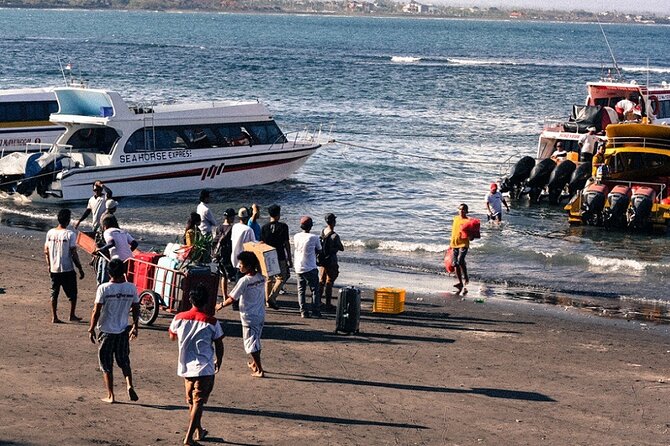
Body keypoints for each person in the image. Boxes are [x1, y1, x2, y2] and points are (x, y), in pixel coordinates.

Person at [169, 284, 224, 446]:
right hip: (204, 367)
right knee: (198, 402)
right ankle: (188, 438)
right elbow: (219, 344)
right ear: (206, 302)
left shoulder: (179, 318)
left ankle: (199, 430)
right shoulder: (211, 322)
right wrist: (219, 360)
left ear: (190, 300)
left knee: (192, 402)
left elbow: (172, 336)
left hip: (186, 366)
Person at [88, 258, 140, 404]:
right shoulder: (131, 288)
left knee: (106, 363)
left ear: (109, 273)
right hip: (123, 329)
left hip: (106, 331)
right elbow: (136, 308)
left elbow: (96, 310)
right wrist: (135, 325)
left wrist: (91, 328)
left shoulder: (104, 288)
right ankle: (129, 384)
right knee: (124, 360)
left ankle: (111, 395)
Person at [217, 251, 265, 378]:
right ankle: (255, 364)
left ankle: (259, 369)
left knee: (251, 344)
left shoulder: (245, 281)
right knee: (255, 341)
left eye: (241, 264)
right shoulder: (260, 277)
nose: (239, 266)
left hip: (249, 316)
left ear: (248, 266)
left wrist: (220, 305)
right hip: (260, 314)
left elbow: (232, 298)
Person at [44, 209, 85, 323]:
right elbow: (73, 253)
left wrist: (49, 265)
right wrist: (80, 268)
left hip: (54, 268)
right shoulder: (70, 234)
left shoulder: (50, 232)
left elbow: (46, 250)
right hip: (67, 268)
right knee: (73, 293)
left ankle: (54, 317)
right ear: (68, 220)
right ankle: (71, 315)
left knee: (54, 292)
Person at [260, 204, 292, 310]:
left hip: (268, 255)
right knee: (282, 277)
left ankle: (268, 301)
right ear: (278, 214)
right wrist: (290, 258)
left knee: (269, 279)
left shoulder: (264, 227)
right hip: (279, 254)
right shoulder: (283, 226)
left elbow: (262, 243)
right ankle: (272, 297)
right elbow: (286, 243)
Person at [293, 216, 322, 318]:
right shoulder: (314, 237)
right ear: (311, 226)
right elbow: (319, 250)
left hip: (298, 266)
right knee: (314, 290)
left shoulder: (296, 236)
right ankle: (315, 311)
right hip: (310, 266)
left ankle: (303, 311)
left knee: (301, 290)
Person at [318, 213, 344, 312]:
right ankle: (328, 304)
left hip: (323, 259)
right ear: (334, 222)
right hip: (331, 260)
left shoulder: (323, 231)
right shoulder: (335, 235)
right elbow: (342, 248)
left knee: (321, 280)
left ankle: (318, 301)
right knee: (329, 282)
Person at [213, 208, 236, 297]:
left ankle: (224, 295)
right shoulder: (231, 228)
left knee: (223, 276)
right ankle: (233, 296)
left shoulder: (219, 227)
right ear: (230, 217)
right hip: (228, 254)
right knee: (232, 276)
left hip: (219, 255)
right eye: (233, 216)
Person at [449, 204, 470, 293]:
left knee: (461, 260)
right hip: (454, 243)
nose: (461, 211)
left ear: (466, 211)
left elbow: (472, 235)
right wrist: (450, 245)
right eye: (460, 209)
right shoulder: (455, 218)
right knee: (455, 263)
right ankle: (460, 282)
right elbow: (454, 231)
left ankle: (466, 277)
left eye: (463, 210)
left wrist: (471, 236)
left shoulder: (468, 221)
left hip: (463, 244)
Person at [230, 207, 256, 279]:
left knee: (237, 280)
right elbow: (253, 245)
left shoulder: (235, 226)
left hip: (234, 258)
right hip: (244, 260)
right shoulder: (248, 230)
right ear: (247, 218)